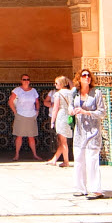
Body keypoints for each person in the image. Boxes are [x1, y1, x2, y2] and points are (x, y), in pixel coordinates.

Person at [72, 69, 107, 200]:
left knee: (92, 159)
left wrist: (87, 112)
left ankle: (96, 189)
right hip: (80, 132)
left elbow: (102, 112)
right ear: (79, 78)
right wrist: (72, 111)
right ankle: (80, 188)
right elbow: (70, 107)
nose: (87, 78)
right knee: (79, 160)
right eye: (84, 75)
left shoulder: (96, 93)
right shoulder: (74, 93)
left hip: (93, 131)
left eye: (88, 76)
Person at [8, 74, 41, 160]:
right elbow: (10, 101)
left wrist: (37, 111)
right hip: (21, 114)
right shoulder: (17, 90)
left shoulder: (33, 91)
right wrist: (15, 111)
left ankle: (35, 154)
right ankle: (17, 154)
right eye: (24, 79)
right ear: (21, 81)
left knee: (31, 136)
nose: (26, 81)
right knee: (19, 135)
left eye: (27, 79)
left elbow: (37, 102)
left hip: (31, 115)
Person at [46, 76, 73, 167]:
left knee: (63, 141)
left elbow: (55, 108)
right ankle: (54, 159)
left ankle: (66, 161)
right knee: (63, 140)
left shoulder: (58, 94)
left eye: (56, 83)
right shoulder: (71, 93)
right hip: (69, 116)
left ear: (61, 84)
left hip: (61, 117)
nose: (55, 85)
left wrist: (52, 121)